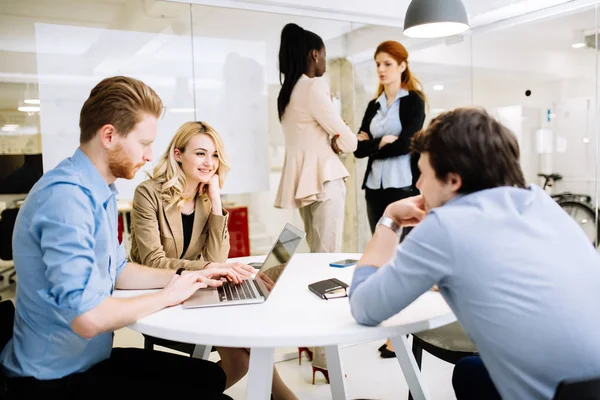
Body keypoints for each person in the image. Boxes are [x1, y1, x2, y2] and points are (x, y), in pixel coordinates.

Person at [0, 76, 237, 399]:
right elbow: (87, 318)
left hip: (88, 360)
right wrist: (169, 295)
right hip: (51, 380)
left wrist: (191, 274)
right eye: (144, 143)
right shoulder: (66, 199)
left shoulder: (100, 191)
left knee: (208, 376)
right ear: (109, 136)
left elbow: (120, 271)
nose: (151, 155)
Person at [349, 107, 600, 400]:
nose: (418, 185)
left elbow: (364, 308)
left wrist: (390, 217)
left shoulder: (445, 226)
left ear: (453, 180)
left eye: (423, 174)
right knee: (469, 372)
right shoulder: (540, 203)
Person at [129, 121, 297, 400]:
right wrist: (208, 269)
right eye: (201, 153)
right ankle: (285, 397)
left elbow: (216, 259)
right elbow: (153, 261)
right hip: (159, 295)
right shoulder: (148, 194)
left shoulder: (206, 199)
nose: (210, 162)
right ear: (178, 154)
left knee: (240, 361)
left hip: (195, 290)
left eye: (215, 155)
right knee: (244, 343)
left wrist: (216, 202)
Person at [274, 22, 358, 378]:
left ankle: (311, 343)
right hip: (325, 182)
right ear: (314, 54)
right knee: (329, 270)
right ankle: (326, 355)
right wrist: (344, 139)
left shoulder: (288, 91)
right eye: (323, 54)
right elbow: (348, 139)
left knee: (315, 263)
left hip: (306, 185)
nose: (325, 61)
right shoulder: (312, 86)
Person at [353, 40, 426, 358]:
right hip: (375, 188)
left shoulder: (414, 102)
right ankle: (388, 323)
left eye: (386, 63)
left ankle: (405, 329)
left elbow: (410, 142)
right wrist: (382, 141)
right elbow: (356, 148)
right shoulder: (374, 105)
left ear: (401, 65)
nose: (381, 70)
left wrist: (375, 143)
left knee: (405, 259)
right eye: (377, 64)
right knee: (380, 255)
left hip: (403, 187)